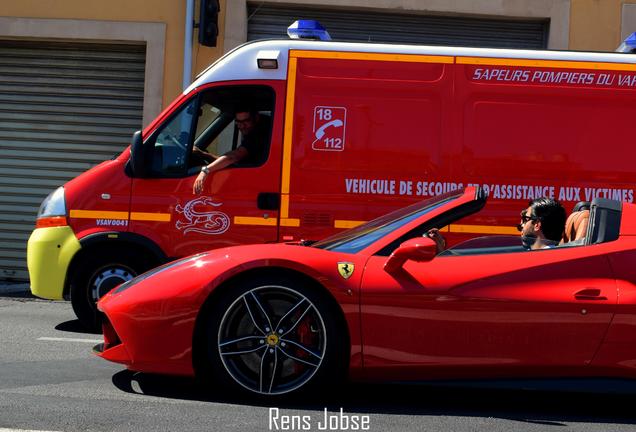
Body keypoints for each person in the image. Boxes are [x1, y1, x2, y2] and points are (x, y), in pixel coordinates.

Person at [426, 196, 566, 253]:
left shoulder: (543, 261)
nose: (520, 225)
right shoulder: (536, 255)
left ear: (537, 225)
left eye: (525, 218)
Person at [192, 107, 271, 194]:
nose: (242, 126)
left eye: (246, 121)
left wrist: (205, 171)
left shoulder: (259, 133)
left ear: (256, 118)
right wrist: (203, 154)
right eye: (238, 122)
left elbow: (234, 157)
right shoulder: (258, 128)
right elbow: (229, 162)